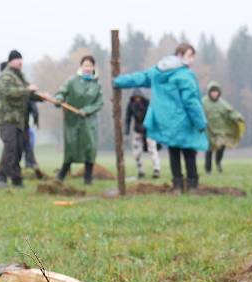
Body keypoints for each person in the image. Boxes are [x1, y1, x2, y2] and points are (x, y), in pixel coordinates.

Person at [113, 43, 208, 192]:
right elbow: (191, 101)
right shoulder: (185, 75)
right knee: (189, 153)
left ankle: (177, 185)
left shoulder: (158, 71)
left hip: (167, 121)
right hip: (184, 121)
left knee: (174, 152)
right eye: (190, 56)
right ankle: (192, 185)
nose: (192, 60)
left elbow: (140, 77)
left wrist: (118, 81)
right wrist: (200, 121)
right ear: (180, 55)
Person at [54, 55, 104, 185]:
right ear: (81, 67)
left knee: (90, 148)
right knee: (71, 148)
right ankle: (61, 176)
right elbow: (62, 92)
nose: (87, 68)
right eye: (85, 65)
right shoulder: (72, 81)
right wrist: (59, 98)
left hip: (88, 122)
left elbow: (99, 103)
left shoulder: (97, 85)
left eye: (90, 65)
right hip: (72, 121)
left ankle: (88, 179)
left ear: (93, 67)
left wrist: (86, 110)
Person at [0, 50, 39, 188]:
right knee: (10, 148)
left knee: (19, 149)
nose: (20, 62)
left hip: (21, 120)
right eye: (17, 59)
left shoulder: (20, 77)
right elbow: (9, 93)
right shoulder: (5, 77)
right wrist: (27, 90)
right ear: (10, 62)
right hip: (7, 119)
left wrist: (41, 97)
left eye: (21, 59)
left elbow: (29, 94)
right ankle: (1, 178)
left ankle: (16, 179)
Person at [202, 81, 245, 174]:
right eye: (212, 91)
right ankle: (208, 169)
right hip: (208, 131)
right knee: (209, 150)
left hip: (221, 131)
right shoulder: (203, 102)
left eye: (216, 91)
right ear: (209, 92)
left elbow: (231, 112)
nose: (214, 93)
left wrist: (238, 117)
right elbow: (198, 113)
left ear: (219, 92)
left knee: (221, 148)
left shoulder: (222, 103)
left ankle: (218, 163)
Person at [125, 89, 161, 179]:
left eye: (139, 97)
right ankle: (140, 170)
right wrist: (126, 131)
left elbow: (154, 116)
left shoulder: (148, 104)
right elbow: (128, 118)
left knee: (152, 149)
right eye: (136, 97)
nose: (137, 99)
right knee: (136, 152)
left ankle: (156, 169)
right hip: (137, 130)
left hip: (149, 129)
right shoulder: (130, 105)